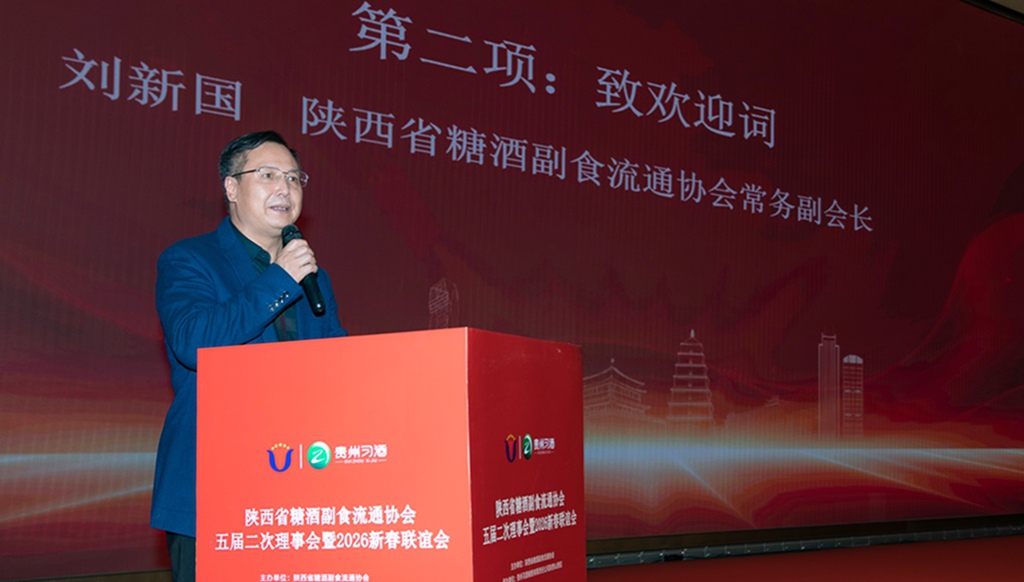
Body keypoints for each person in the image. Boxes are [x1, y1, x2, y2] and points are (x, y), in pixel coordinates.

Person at [150, 131, 347, 580]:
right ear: (232, 188)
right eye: (269, 175)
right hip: (215, 486)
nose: (285, 188)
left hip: (300, 485)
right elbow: (194, 342)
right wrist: (281, 279)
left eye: (294, 178)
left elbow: (337, 366)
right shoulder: (189, 260)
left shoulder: (316, 279)